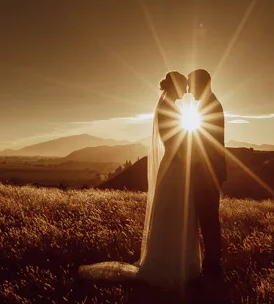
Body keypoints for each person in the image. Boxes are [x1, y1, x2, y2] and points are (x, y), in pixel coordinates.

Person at [79, 71, 202, 287]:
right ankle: (171, 264)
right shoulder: (169, 108)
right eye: (184, 85)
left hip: (175, 165)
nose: (187, 90)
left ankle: (174, 261)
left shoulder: (168, 107)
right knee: (175, 212)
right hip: (176, 166)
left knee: (174, 213)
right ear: (176, 86)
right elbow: (175, 141)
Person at [188, 68, 226, 279]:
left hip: (208, 172)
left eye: (191, 86)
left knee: (209, 218)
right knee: (208, 218)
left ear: (201, 84)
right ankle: (212, 263)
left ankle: (213, 266)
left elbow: (205, 142)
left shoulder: (209, 106)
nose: (190, 92)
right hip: (209, 170)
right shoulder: (207, 104)